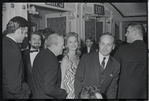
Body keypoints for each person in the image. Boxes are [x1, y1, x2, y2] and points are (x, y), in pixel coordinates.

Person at [74, 32, 120, 99]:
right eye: (102, 44)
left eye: (109, 45)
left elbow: (112, 89)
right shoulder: (86, 58)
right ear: (99, 44)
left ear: (113, 46)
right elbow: (78, 80)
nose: (105, 47)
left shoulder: (116, 65)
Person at [114, 23, 147, 99]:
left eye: (128, 32)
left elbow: (112, 70)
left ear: (135, 33)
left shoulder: (123, 49)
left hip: (127, 93)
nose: (125, 34)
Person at [2, 16, 31, 99]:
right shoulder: (13, 49)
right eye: (25, 33)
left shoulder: (4, 42)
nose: (26, 36)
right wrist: (23, 96)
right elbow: (13, 83)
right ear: (18, 31)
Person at [32, 33, 67, 99]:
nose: (64, 47)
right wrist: (63, 92)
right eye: (62, 45)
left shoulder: (41, 54)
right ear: (54, 47)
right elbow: (49, 89)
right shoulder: (52, 61)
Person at [22, 30, 43, 98]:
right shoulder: (22, 55)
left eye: (39, 39)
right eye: (34, 39)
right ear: (30, 41)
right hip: (27, 92)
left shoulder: (46, 54)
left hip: (42, 91)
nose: (37, 41)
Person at [60, 32, 81, 99]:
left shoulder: (78, 58)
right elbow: (61, 81)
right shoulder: (65, 60)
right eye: (70, 42)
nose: (73, 44)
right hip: (68, 93)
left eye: (75, 41)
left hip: (77, 91)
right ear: (66, 44)